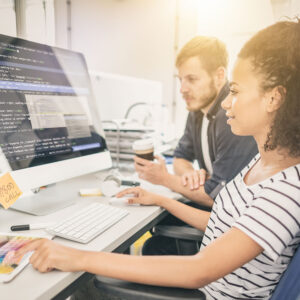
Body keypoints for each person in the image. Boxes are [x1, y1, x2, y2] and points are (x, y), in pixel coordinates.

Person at [17, 20, 300, 300]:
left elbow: (199, 270)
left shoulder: (285, 191)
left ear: (273, 98)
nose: (227, 101)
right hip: (204, 288)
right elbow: (224, 226)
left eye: (235, 91)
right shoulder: (264, 163)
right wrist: (162, 199)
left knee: (83, 282)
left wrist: (80, 258)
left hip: (206, 292)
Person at [136, 36, 257, 255]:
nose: (182, 89)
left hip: (228, 227)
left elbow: (214, 196)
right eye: (180, 79)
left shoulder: (232, 118)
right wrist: (190, 174)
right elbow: (181, 157)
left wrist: (164, 179)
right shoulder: (197, 111)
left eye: (191, 79)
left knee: (154, 245)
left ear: (220, 75)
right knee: (155, 230)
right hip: (215, 212)